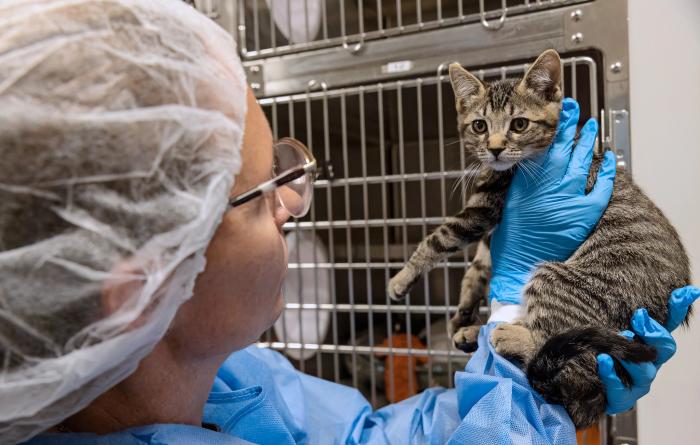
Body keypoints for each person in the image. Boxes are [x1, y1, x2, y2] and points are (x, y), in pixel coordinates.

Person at [0, 1, 695, 444]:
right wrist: (512, 299)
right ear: (144, 290)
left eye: (287, 167)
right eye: (266, 188)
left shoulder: (235, 379)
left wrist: (537, 379)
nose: (296, 201)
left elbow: (371, 437)